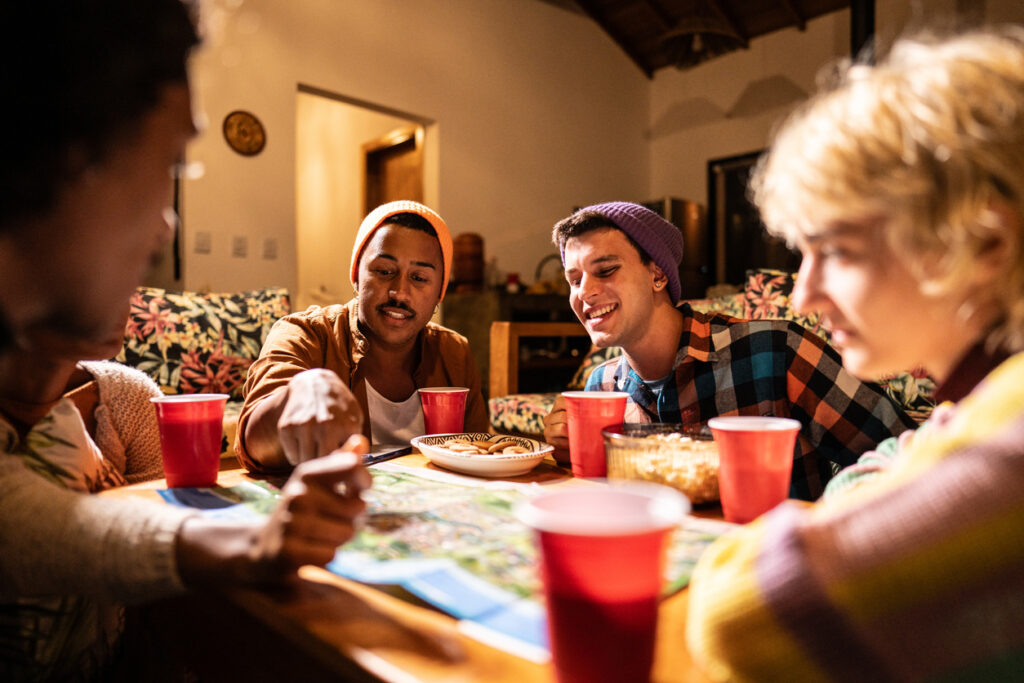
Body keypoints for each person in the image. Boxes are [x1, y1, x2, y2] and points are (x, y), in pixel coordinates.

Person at [0, 1, 371, 679]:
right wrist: (251, 537)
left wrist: (293, 418)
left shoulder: (124, 395)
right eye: (168, 165)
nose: (168, 227)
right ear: (59, 150)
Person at [686, 28, 1024, 680]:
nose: (805, 295)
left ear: (984, 243)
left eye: (834, 250)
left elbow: (740, 617)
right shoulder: (985, 396)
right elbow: (907, 450)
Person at [542, 201, 915, 499]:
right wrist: (564, 453)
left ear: (658, 275)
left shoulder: (775, 352)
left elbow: (907, 458)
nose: (584, 293)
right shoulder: (601, 386)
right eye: (573, 280)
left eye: (605, 270)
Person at [236, 200, 489, 474]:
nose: (400, 293)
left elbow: (479, 454)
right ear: (356, 275)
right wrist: (296, 394)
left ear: (440, 291)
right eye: (384, 271)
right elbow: (253, 443)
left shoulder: (453, 353)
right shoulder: (304, 334)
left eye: (419, 278)